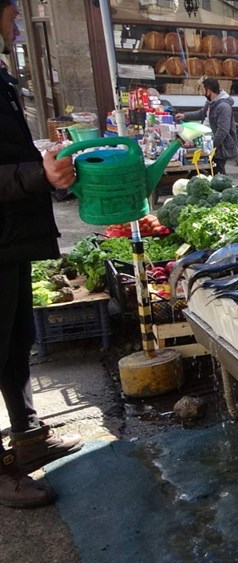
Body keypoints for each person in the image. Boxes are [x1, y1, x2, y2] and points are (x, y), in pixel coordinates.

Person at [0, 0, 84, 509]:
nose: (16, 27)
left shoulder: (1, 76)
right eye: (12, 16)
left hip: (11, 235)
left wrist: (41, 160)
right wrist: (37, 174)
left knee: (16, 340)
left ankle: (28, 435)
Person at [176, 78, 238, 175]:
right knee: (208, 171)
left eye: (203, 90)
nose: (202, 93)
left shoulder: (224, 107)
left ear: (209, 91)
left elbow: (222, 131)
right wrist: (184, 116)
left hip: (219, 148)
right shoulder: (211, 103)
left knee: (218, 172)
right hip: (207, 143)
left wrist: (211, 147)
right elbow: (201, 113)